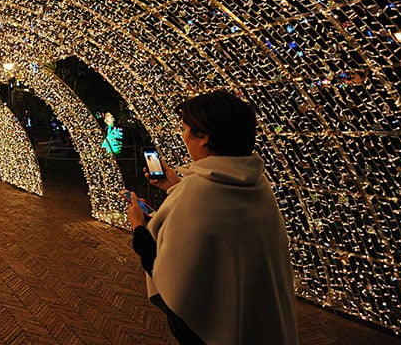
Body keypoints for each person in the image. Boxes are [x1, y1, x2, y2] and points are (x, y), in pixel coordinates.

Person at [124, 90, 297, 345]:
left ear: (203, 136)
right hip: (262, 325)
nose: (183, 137)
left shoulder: (198, 193)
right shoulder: (258, 186)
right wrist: (175, 186)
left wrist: (139, 225)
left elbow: (168, 272)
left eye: (185, 128)